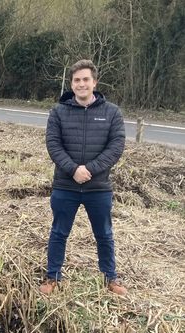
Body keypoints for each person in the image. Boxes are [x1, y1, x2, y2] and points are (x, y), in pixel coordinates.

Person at [40, 59, 127, 296]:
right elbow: (53, 145)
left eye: (85, 79)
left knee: (104, 234)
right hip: (65, 186)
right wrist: (73, 170)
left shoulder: (112, 113)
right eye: (77, 80)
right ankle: (52, 277)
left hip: (98, 187)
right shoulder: (58, 112)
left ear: (94, 82)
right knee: (58, 232)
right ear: (71, 84)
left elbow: (115, 147)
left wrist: (88, 169)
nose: (81, 84)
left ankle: (110, 278)